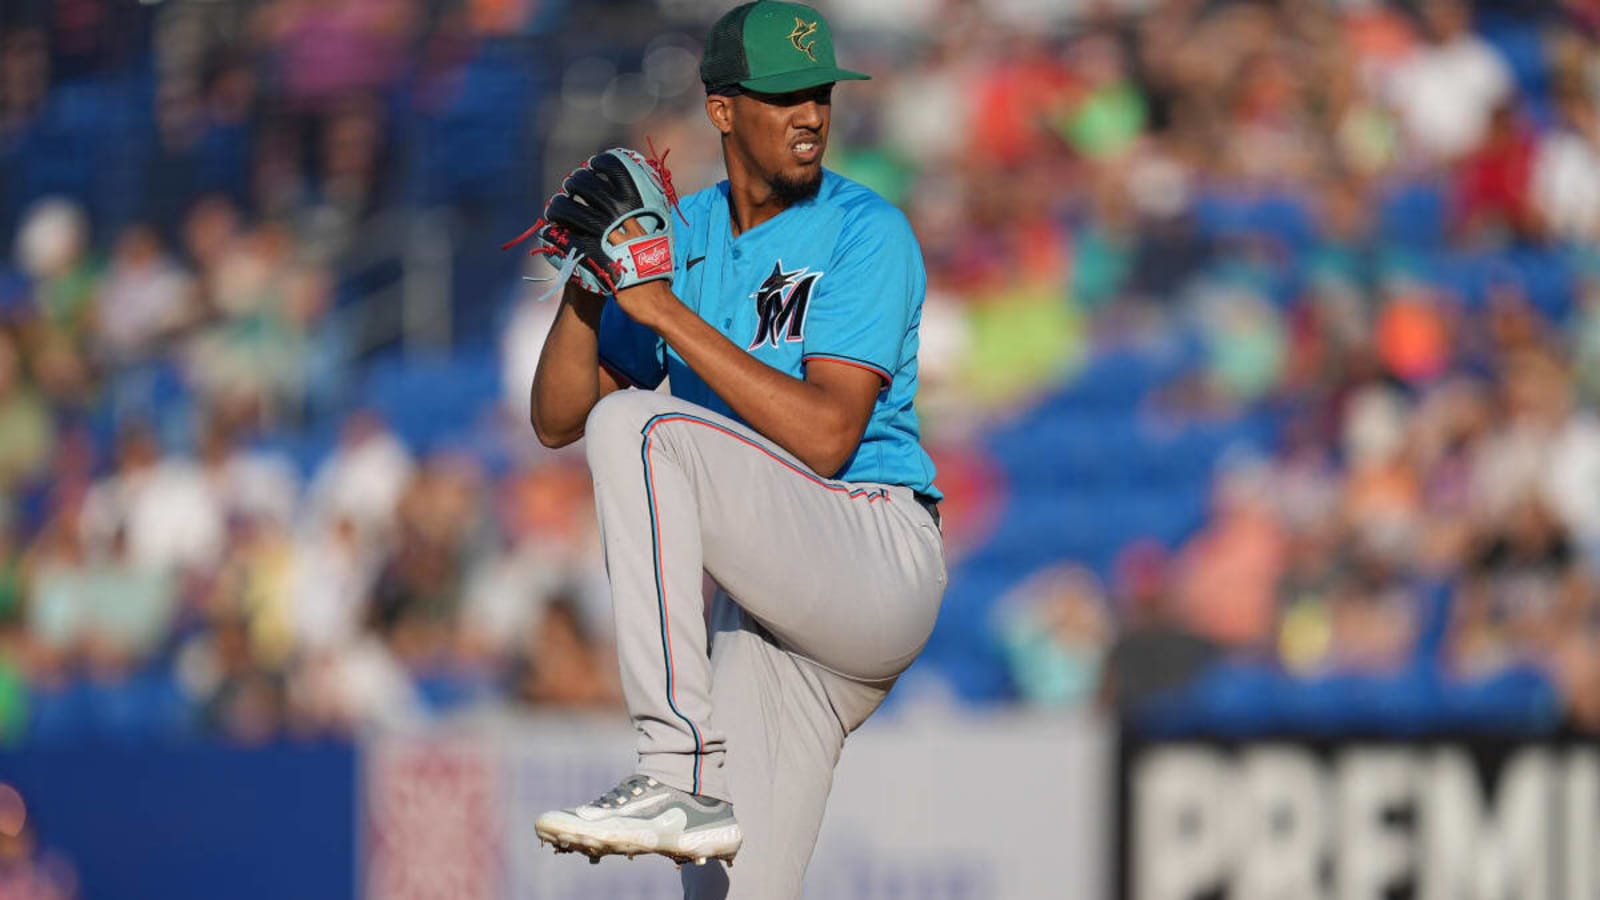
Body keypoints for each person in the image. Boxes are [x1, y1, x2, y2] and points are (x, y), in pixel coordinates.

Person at [524, 2, 947, 897]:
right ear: (722, 109)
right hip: (767, 619)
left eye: (820, 93)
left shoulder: (865, 229)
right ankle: (686, 789)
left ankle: (673, 767)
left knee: (637, 426)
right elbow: (556, 418)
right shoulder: (686, 238)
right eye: (783, 95)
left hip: (869, 549)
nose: (810, 115)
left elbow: (829, 439)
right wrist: (592, 284)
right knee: (729, 887)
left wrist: (663, 309)